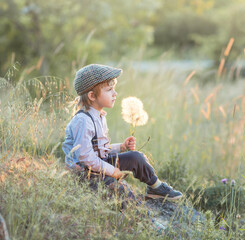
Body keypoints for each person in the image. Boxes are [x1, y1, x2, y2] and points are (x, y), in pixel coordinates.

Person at [62, 64, 182, 201]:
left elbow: (99, 150)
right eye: (109, 90)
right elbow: (85, 157)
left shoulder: (99, 116)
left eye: (114, 89)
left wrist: (121, 147)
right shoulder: (83, 121)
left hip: (97, 166)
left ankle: (156, 187)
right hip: (85, 174)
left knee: (135, 157)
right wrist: (112, 171)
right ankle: (139, 214)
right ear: (92, 96)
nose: (115, 93)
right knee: (123, 193)